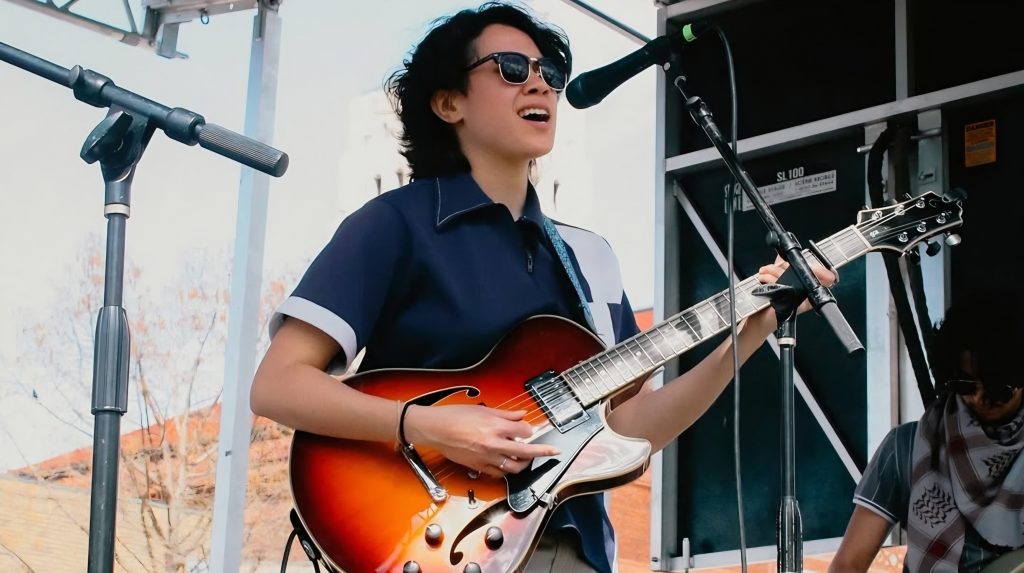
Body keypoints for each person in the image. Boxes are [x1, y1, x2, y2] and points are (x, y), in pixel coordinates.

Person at [250, 3, 833, 571]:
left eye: (549, 73)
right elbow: (278, 385)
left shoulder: (590, 258)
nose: (539, 86)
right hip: (435, 540)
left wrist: (752, 331)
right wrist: (425, 426)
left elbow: (630, 430)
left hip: (573, 550)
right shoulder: (392, 225)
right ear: (448, 102)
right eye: (510, 69)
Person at [829, 293, 1024, 573]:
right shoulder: (904, 447)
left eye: (997, 388)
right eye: (966, 385)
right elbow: (847, 566)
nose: (980, 398)